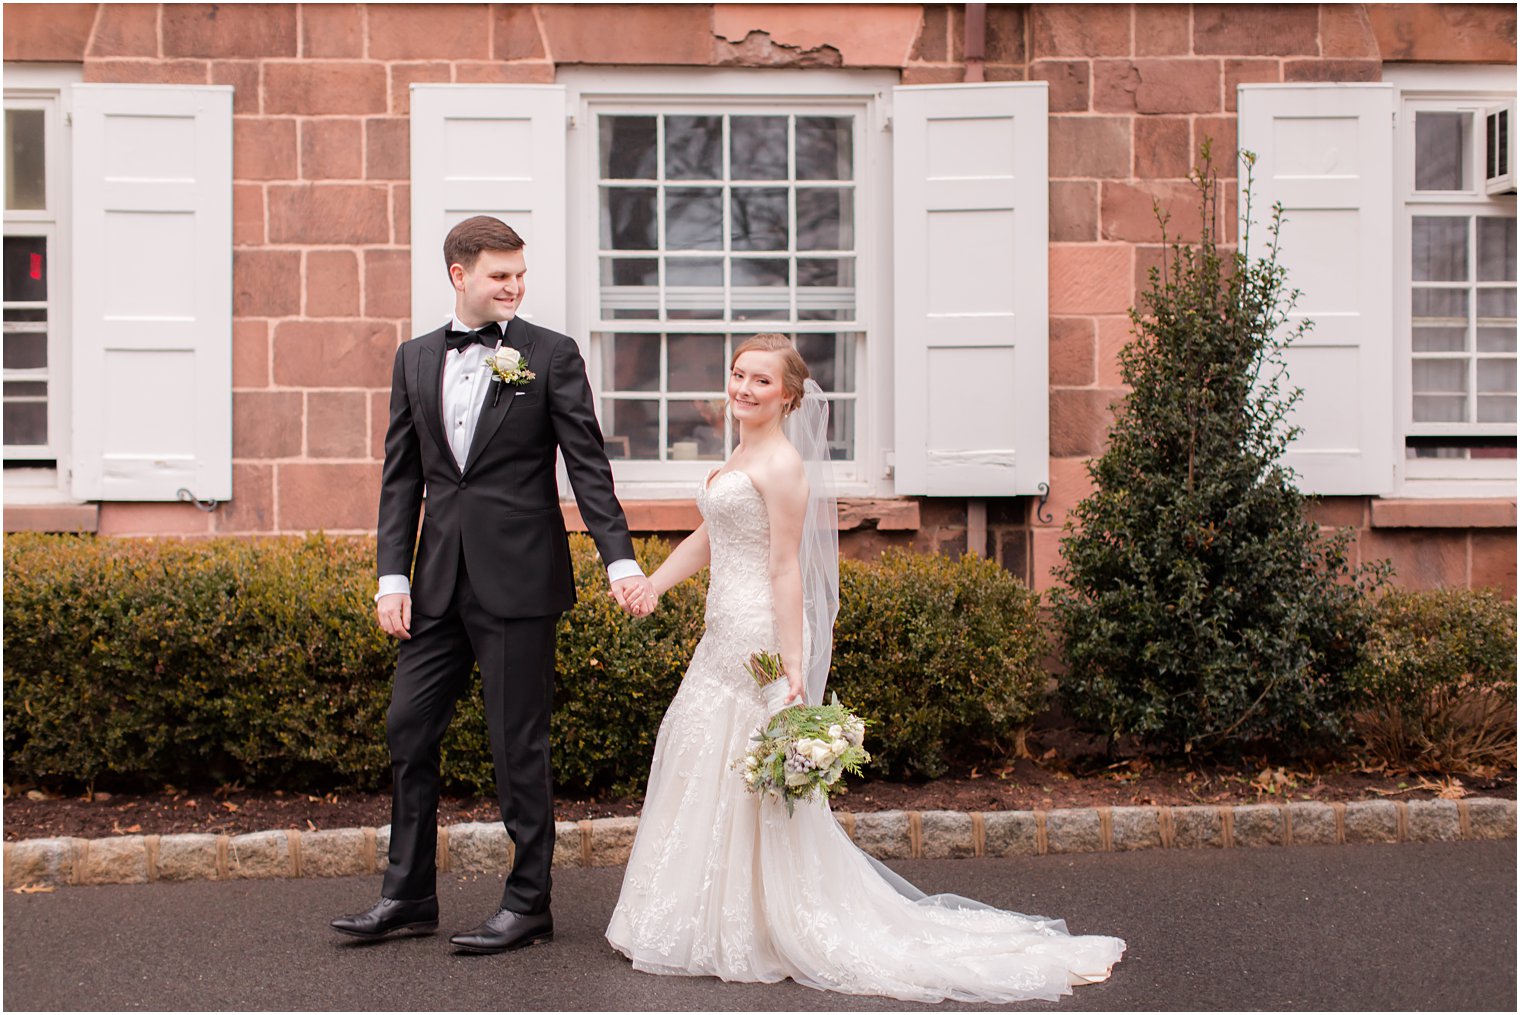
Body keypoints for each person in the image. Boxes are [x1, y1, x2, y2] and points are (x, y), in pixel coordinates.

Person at [605, 334, 1126, 1003]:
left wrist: (793, 669)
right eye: (738, 375)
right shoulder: (740, 449)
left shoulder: (785, 465)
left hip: (759, 634)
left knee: (748, 771)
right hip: (720, 633)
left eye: (761, 381)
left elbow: (786, 566)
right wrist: (655, 583)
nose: (744, 388)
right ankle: (701, 917)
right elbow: (714, 533)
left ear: (788, 395)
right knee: (705, 762)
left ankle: (760, 923)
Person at [332, 216, 655, 954]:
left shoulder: (550, 353)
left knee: (519, 744)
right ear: (459, 275)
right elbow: (401, 477)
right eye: (499, 275)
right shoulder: (415, 358)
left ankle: (527, 901)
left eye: (519, 274)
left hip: (520, 580)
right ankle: (408, 894)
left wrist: (620, 559)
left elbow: (586, 462)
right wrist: (391, 575)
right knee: (407, 727)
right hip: (437, 580)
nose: (514, 286)